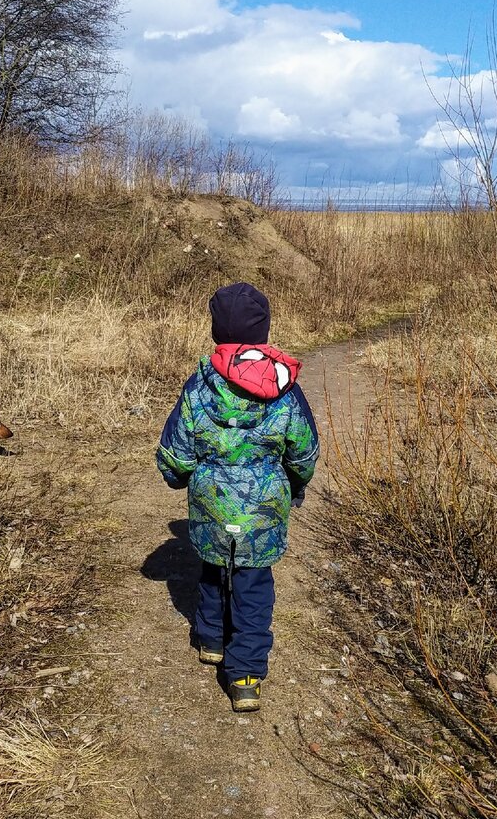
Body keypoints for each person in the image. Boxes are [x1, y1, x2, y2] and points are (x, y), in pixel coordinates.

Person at [156, 282, 320, 712]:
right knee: (252, 585)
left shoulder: (199, 384)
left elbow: (175, 450)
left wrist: (179, 478)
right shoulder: (284, 386)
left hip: (211, 497)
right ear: (262, 331)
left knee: (212, 566)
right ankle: (245, 674)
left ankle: (210, 639)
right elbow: (304, 449)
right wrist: (296, 484)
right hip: (263, 504)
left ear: (217, 331)